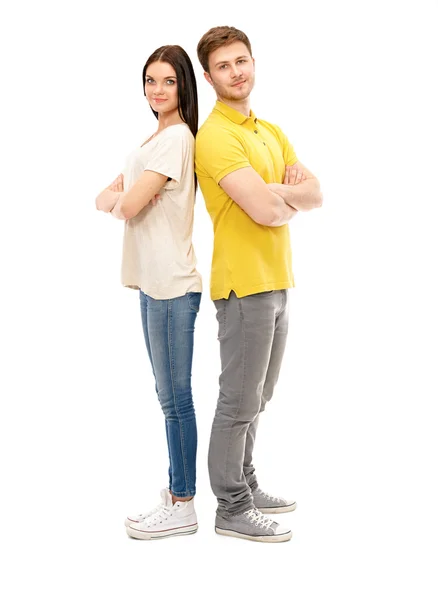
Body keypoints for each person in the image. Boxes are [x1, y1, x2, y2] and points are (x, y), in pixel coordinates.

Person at [195, 26, 323, 543]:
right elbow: (273, 207)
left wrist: (277, 196)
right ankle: (232, 507)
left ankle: (245, 482)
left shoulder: (269, 130)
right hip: (243, 286)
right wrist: (282, 197)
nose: (236, 72)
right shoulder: (215, 136)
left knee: (261, 394)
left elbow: (316, 193)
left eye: (241, 61)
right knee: (238, 400)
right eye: (224, 66)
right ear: (209, 77)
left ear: (253, 62)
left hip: (278, 280)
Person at [96, 45, 202, 540]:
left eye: (168, 82)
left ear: (184, 85)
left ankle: (183, 502)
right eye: (150, 81)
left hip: (172, 286)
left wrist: (119, 198)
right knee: (168, 395)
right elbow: (110, 199)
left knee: (175, 397)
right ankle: (177, 490)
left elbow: (126, 205)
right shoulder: (157, 136)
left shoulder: (175, 137)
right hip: (153, 282)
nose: (156, 91)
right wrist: (117, 199)